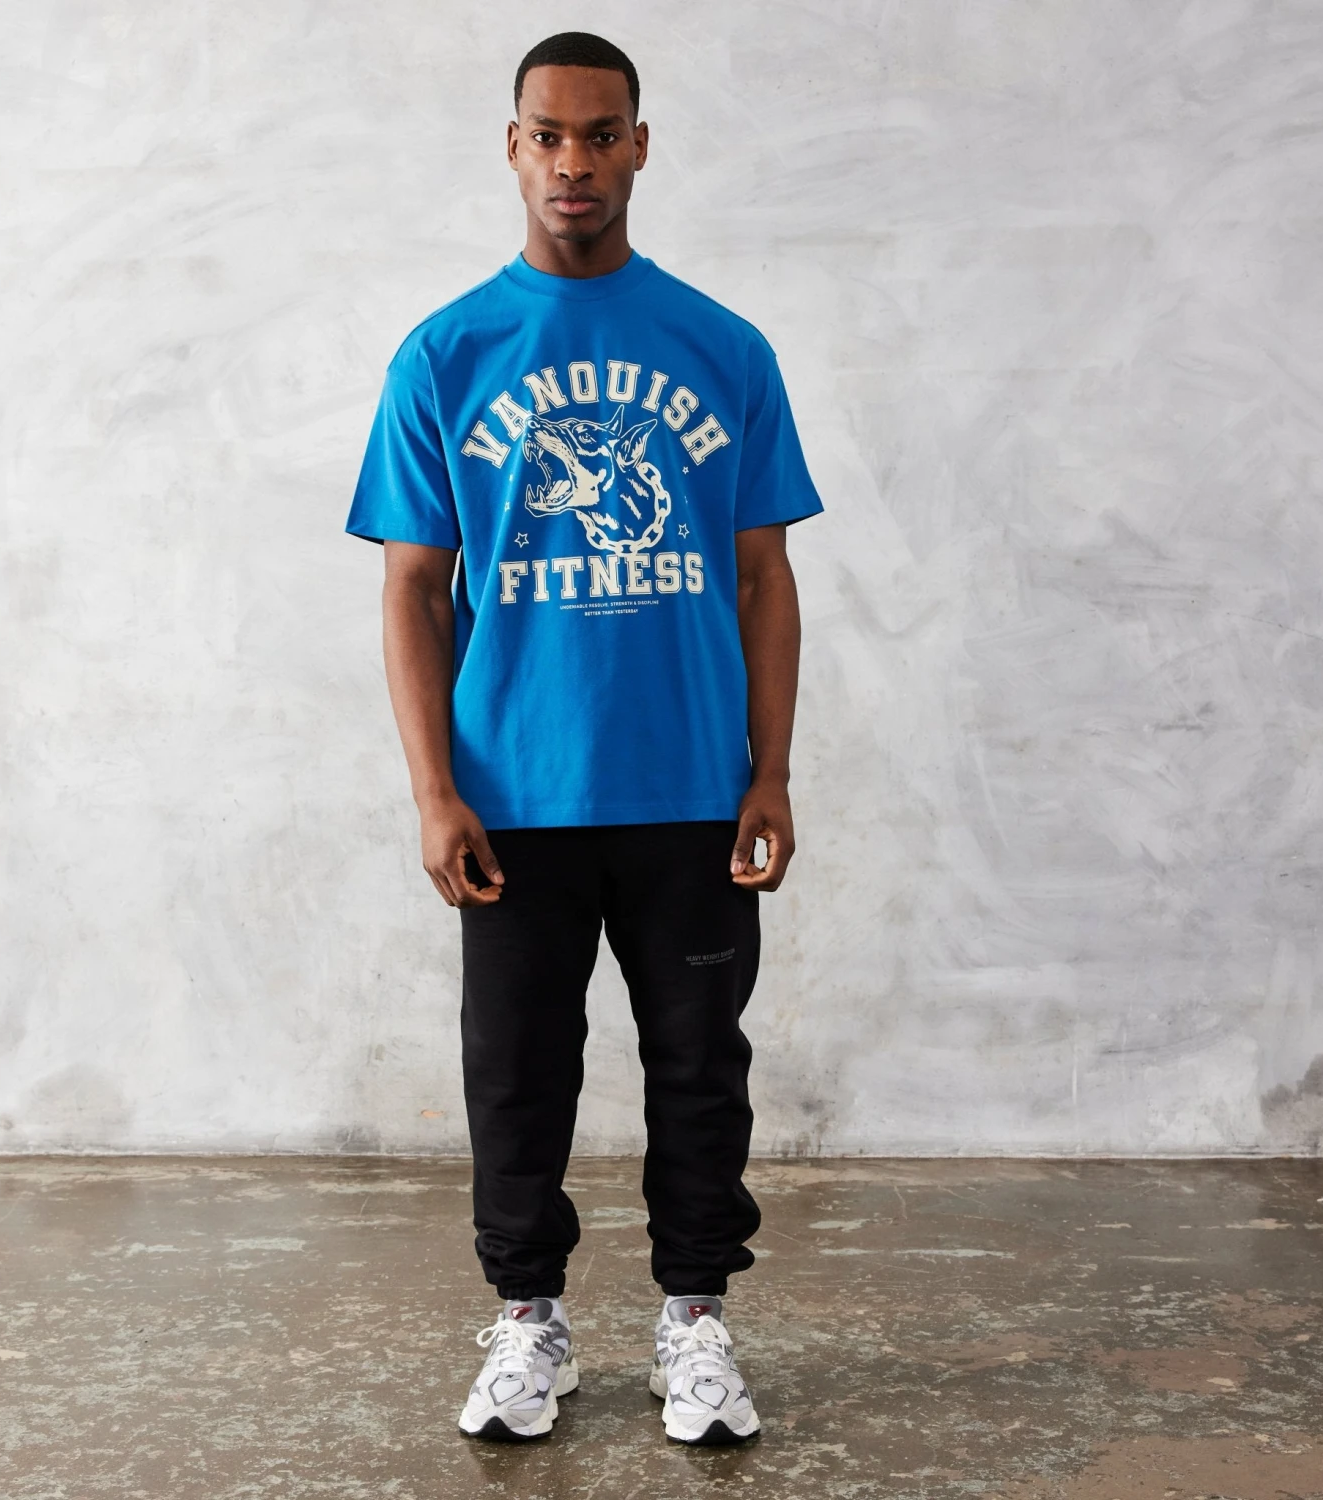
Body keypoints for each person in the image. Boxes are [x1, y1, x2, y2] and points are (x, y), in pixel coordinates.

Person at [346, 30, 823, 1445]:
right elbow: (414, 590)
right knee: (516, 1074)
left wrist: (771, 770)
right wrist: (434, 791)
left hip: (689, 787)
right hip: (514, 793)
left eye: (601, 134)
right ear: (513, 149)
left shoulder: (723, 347)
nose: (575, 162)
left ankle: (696, 1325)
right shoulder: (446, 355)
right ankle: (527, 1323)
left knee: (700, 1070)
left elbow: (763, 578)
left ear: (640, 147)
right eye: (549, 135)